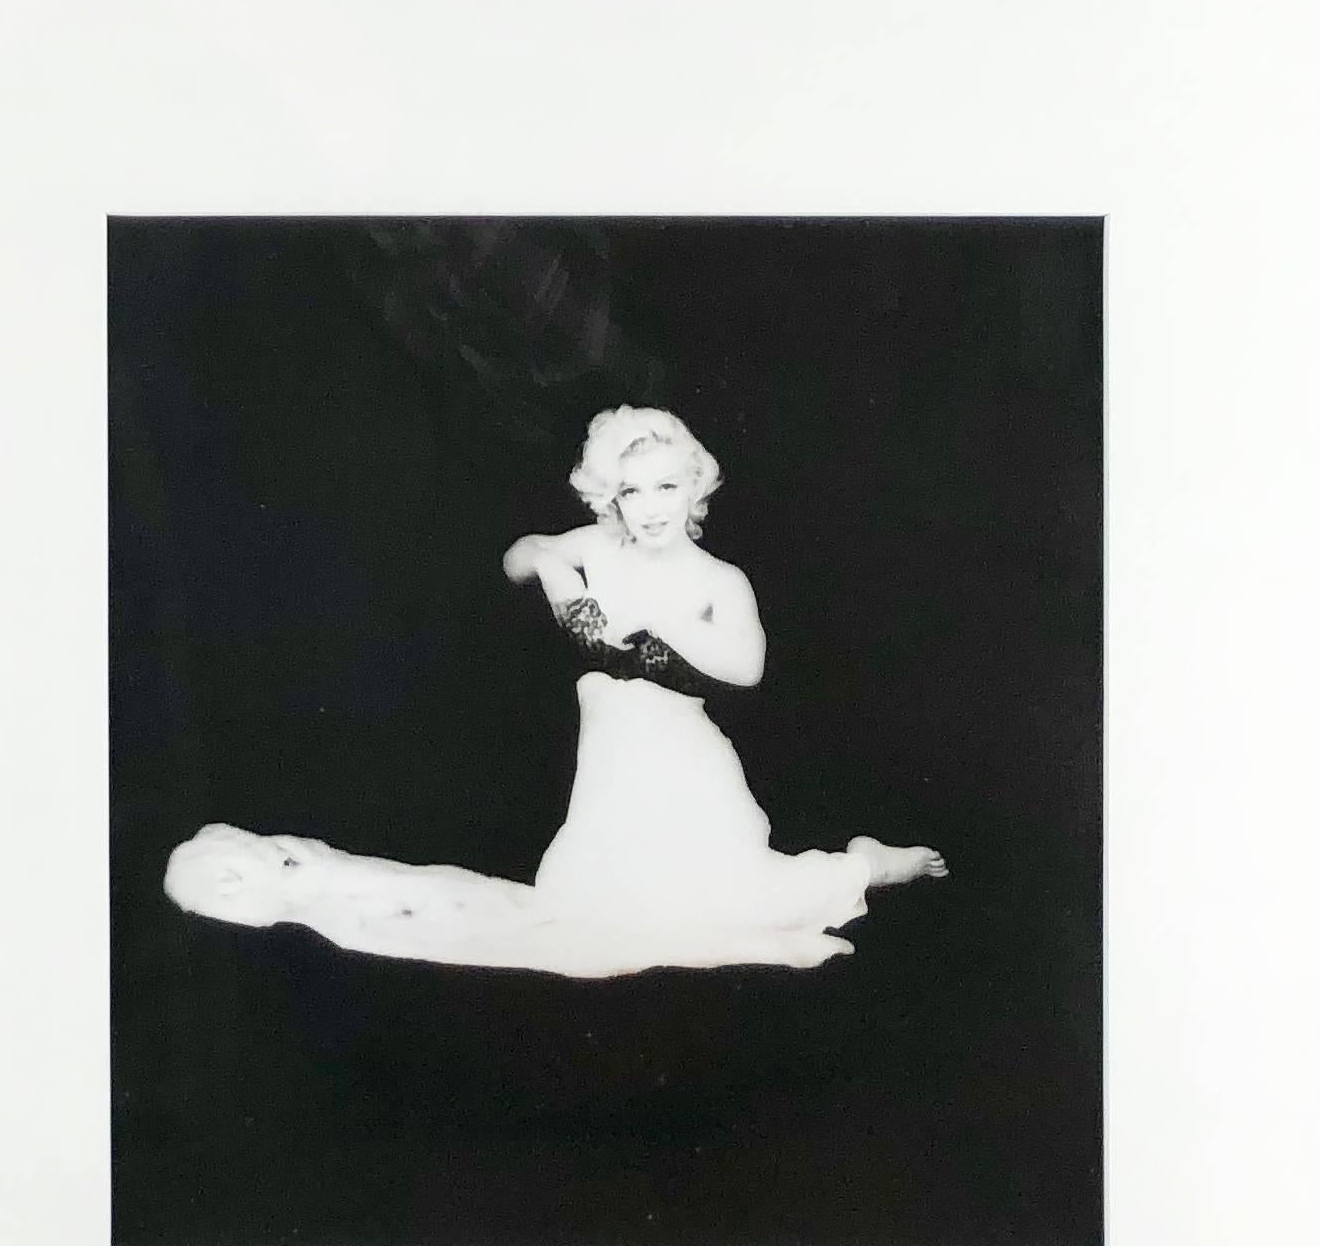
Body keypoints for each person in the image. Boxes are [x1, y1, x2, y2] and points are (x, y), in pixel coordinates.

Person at [165, 407, 946, 976]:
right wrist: (548, 561)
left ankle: (868, 866)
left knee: (725, 893)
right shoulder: (596, 546)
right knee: (592, 918)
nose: (651, 507)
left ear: (695, 488)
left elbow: (747, 670)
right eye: (631, 492)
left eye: (666, 486)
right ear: (610, 498)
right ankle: (795, 916)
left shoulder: (718, 579)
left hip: (682, 754)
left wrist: (663, 629)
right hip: (610, 754)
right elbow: (519, 557)